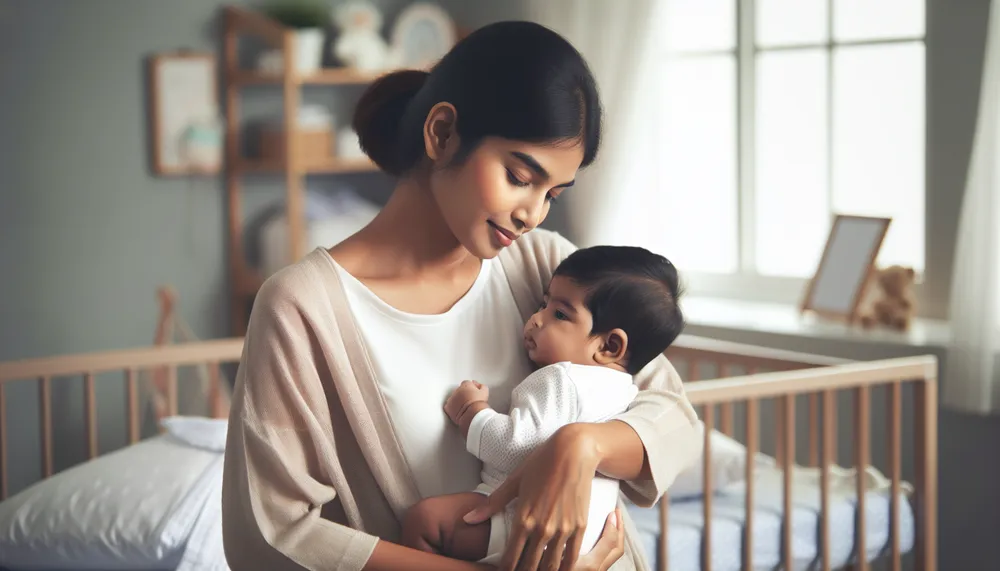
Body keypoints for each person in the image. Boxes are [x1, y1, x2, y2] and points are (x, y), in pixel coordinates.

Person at [221, 19, 701, 571]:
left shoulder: (546, 266)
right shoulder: (303, 307)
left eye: (553, 193)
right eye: (521, 176)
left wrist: (580, 446)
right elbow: (272, 536)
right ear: (442, 133)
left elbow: (674, 417)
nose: (533, 213)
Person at [400, 245, 686, 567]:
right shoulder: (625, 392)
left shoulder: (560, 379)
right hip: (589, 538)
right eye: (543, 304)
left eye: (560, 314)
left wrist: (471, 412)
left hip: (522, 520)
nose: (536, 319)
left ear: (609, 345)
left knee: (425, 521)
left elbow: (513, 446)